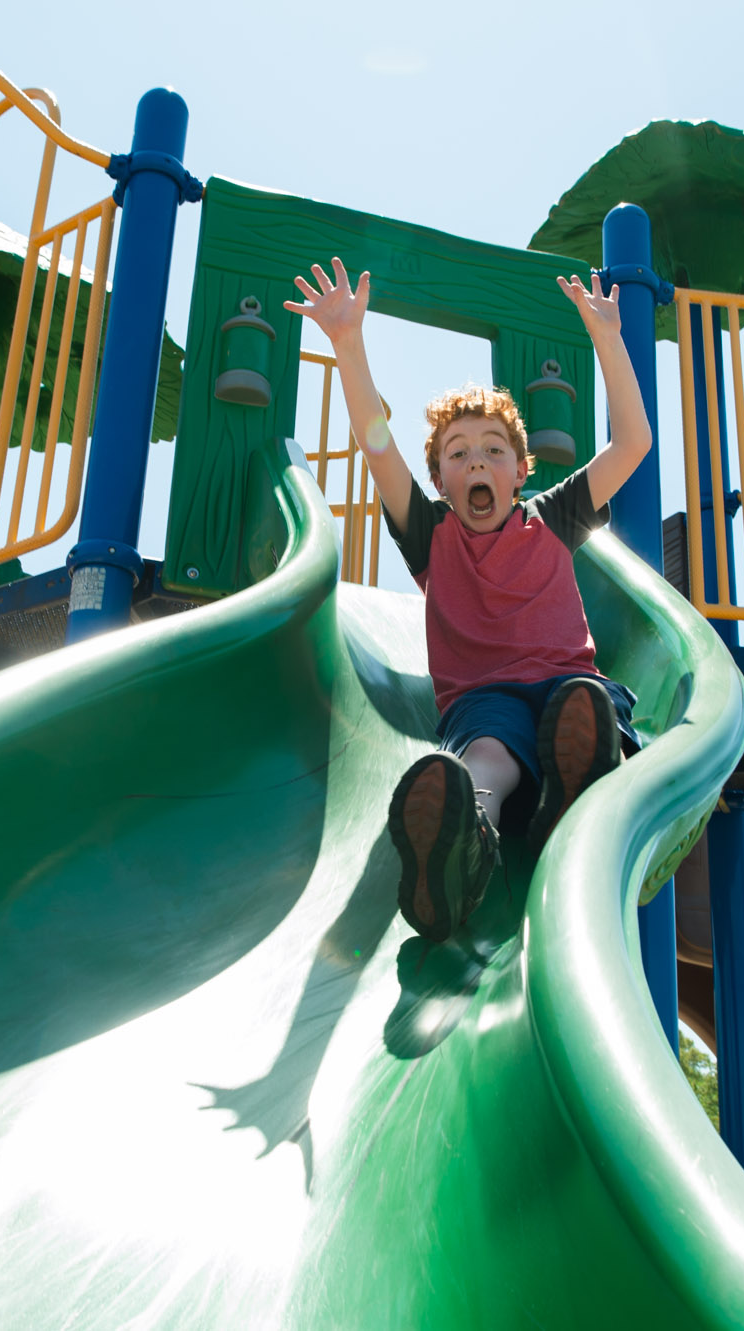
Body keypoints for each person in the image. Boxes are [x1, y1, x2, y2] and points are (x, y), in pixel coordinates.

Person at [284, 257, 655, 942]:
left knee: (585, 706)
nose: (476, 461)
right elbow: (375, 443)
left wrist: (609, 338)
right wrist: (346, 344)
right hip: (485, 699)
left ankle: (578, 783)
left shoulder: (556, 516)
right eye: (457, 454)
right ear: (438, 478)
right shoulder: (430, 536)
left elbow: (632, 443)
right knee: (480, 758)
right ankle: (463, 843)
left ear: (521, 471)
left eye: (492, 450)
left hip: (568, 684)